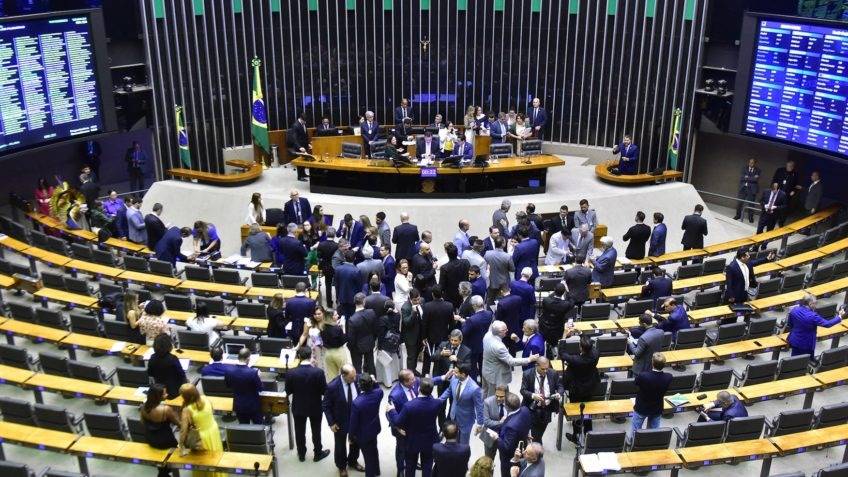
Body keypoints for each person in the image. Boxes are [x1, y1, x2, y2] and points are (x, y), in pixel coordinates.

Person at [387, 377, 443, 477]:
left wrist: (392, 410)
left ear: (419, 389)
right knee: (427, 465)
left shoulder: (409, 406)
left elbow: (398, 421)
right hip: (430, 440)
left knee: (410, 465)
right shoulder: (437, 403)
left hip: (413, 441)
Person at [286, 346, 331, 462]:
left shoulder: (291, 372)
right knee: (316, 431)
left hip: (298, 406)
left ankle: (301, 454)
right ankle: (318, 453)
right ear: (311, 356)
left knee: (299, 431)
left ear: (299, 357)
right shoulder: (319, 372)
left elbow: (288, 391)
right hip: (315, 406)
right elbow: (324, 391)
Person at [323, 364, 365, 476]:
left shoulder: (357, 379)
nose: (355, 379)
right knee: (340, 445)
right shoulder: (332, 386)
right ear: (343, 375)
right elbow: (326, 405)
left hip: (356, 419)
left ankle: (353, 461)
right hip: (340, 421)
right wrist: (331, 423)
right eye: (352, 377)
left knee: (356, 442)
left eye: (355, 376)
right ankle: (341, 466)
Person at [177, 383, 225, 476]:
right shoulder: (205, 398)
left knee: (203, 462)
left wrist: (181, 445)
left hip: (201, 436)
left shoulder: (187, 409)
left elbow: (183, 430)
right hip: (213, 430)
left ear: (185, 396)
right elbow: (212, 411)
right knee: (215, 456)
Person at [482, 321, 538, 396]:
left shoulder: (488, 335)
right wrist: (529, 359)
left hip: (486, 371)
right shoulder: (499, 347)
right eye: (505, 330)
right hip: (496, 377)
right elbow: (511, 361)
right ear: (500, 332)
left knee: (485, 392)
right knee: (494, 397)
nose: (507, 330)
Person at [561, 335, 600, 444]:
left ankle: (576, 435)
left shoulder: (576, 360)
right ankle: (588, 433)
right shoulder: (596, 354)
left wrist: (564, 337)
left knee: (577, 411)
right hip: (590, 386)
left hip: (577, 389)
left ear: (581, 348)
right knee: (587, 409)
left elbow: (562, 353)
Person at [436, 364, 484, 445]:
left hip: (466, 421)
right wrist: (439, 400)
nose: (453, 373)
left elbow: (479, 407)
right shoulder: (454, 379)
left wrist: (480, 423)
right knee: (453, 441)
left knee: (463, 444)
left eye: (456, 372)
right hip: (453, 416)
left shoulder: (474, 389)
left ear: (463, 374)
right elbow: (449, 390)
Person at [140, 383, 179, 477]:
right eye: (165, 394)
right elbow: (179, 424)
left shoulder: (143, 407)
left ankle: (163, 472)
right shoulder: (166, 409)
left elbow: (142, 422)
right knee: (174, 457)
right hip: (166, 441)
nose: (167, 395)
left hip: (151, 439)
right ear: (158, 397)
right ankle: (164, 473)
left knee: (162, 463)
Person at [520, 357, 561, 445]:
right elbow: (523, 390)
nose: (546, 371)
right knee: (535, 434)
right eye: (543, 369)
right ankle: (537, 448)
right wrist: (533, 395)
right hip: (532, 408)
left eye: (547, 368)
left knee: (541, 429)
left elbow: (560, 386)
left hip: (547, 408)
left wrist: (559, 393)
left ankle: (537, 442)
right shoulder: (527, 374)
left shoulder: (553, 373)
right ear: (536, 366)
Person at [348, 373, 383, 477]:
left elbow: (353, 423)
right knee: (374, 450)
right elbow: (378, 388)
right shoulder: (378, 393)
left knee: (368, 458)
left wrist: (350, 436)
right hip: (374, 429)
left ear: (359, 385)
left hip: (362, 434)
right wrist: (375, 382)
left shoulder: (357, 403)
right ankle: (377, 471)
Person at [388, 369, 420, 476]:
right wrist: (398, 428)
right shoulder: (395, 395)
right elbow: (389, 414)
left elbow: (428, 381)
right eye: (412, 380)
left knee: (414, 445)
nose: (415, 381)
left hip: (415, 425)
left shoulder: (415, 383)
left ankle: (413, 462)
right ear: (404, 382)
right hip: (402, 429)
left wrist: (443, 377)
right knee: (401, 449)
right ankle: (401, 469)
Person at [632, 353, 672, 432]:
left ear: (652, 363)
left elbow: (635, 383)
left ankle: (632, 442)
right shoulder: (669, 377)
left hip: (642, 407)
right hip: (657, 407)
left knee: (635, 430)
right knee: (653, 432)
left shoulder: (643, 376)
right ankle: (652, 443)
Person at [495, 393, 532, 477]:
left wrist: (497, 438)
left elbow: (506, 447)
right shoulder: (525, 409)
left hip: (510, 458)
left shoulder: (511, 426)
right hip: (522, 447)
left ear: (507, 407)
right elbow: (528, 424)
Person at [421, 285, 455, 375]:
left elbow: (424, 323)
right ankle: (438, 374)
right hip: (444, 335)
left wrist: (423, 337)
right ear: (442, 294)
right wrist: (450, 335)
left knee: (428, 356)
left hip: (430, 336)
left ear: (432, 294)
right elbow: (452, 323)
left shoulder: (427, 306)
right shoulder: (449, 306)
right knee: (441, 355)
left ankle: (425, 373)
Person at [225, 347, 263, 424]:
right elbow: (260, 388)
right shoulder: (253, 373)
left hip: (238, 405)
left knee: (244, 427)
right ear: (248, 358)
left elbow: (228, 386)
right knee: (258, 427)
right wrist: (258, 377)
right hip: (253, 406)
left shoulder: (228, 371)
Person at [146, 334, 187, 399]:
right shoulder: (173, 358)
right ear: (169, 345)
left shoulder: (152, 357)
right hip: (174, 391)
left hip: (159, 390)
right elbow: (181, 374)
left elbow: (150, 373)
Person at [539, 283, 574, 356]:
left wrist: (557, 290)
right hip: (557, 328)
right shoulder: (565, 304)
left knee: (545, 339)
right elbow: (572, 301)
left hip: (545, 326)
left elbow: (550, 297)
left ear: (554, 290)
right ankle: (553, 348)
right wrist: (567, 291)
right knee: (554, 342)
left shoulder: (546, 300)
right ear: (563, 292)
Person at [347, 293, 378, 375]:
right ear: (364, 302)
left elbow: (351, 338)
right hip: (369, 342)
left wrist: (350, 347)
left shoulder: (352, 319)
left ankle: (359, 383)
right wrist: (373, 339)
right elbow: (375, 329)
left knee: (357, 367)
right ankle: (373, 381)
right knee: (371, 364)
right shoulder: (371, 312)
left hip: (357, 347)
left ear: (354, 302)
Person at [320, 307, 352, 381]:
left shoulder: (322, 327)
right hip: (339, 353)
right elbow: (344, 340)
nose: (338, 315)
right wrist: (343, 328)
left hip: (328, 353)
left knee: (332, 376)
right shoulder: (337, 329)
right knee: (344, 374)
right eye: (336, 315)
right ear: (331, 317)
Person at [376, 300, 402, 387]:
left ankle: (388, 382)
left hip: (385, 344)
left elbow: (381, 334)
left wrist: (379, 346)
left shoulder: (382, 319)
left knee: (386, 364)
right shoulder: (398, 316)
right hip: (396, 342)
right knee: (395, 362)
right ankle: (396, 377)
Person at [485, 236, 515, 305]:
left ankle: (490, 314)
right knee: (503, 302)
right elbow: (512, 269)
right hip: (503, 283)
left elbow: (486, 266)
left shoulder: (487, 253)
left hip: (491, 282)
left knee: (490, 301)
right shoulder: (507, 256)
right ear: (503, 244)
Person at [772, 159, 803, 226]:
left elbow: (797, 185)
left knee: (784, 210)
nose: (790, 168)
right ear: (786, 165)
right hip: (777, 193)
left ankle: (781, 223)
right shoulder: (780, 170)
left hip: (787, 195)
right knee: (775, 208)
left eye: (791, 166)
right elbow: (774, 180)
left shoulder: (795, 174)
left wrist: (794, 191)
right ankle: (772, 221)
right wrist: (774, 189)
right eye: (788, 166)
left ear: (793, 167)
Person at [440, 242, 471, 308]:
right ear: (457, 253)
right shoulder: (466, 262)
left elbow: (442, 285)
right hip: (464, 293)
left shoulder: (444, 268)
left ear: (447, 254)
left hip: (450, 297)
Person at [401, 289, 424, 373]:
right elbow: (407, 323)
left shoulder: (421, 302)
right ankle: (409, 374)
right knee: (411, 357)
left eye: (418, 299)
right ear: (410, 299)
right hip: (410, 337)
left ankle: (413, 370)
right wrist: (413, 313)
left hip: (419, 335)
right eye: (415, 300)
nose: (417, 301)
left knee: (417, 354)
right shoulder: (405, 307)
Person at [335, 250, 363, 318]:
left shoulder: (338, 269)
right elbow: (359, 287)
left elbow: (336, 285)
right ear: (355, 258)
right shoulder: (357, 271)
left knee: (343, 318)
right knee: (351, 317)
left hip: (341, 297)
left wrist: (337, 297)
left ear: (344, 258)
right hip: (352, 299)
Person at [287, 114, 312, 181]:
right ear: (301, 119)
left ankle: (303, 174)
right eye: (304, 121)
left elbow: (305, 135)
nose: (305, 122)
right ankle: (300, 176)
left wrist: (308, 143)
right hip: (299, 146)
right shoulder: (295, 125)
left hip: (304, 145)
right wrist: (299, 147)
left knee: (304, 160)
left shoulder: (303, 123)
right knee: (300, 161)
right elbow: (294, 139)